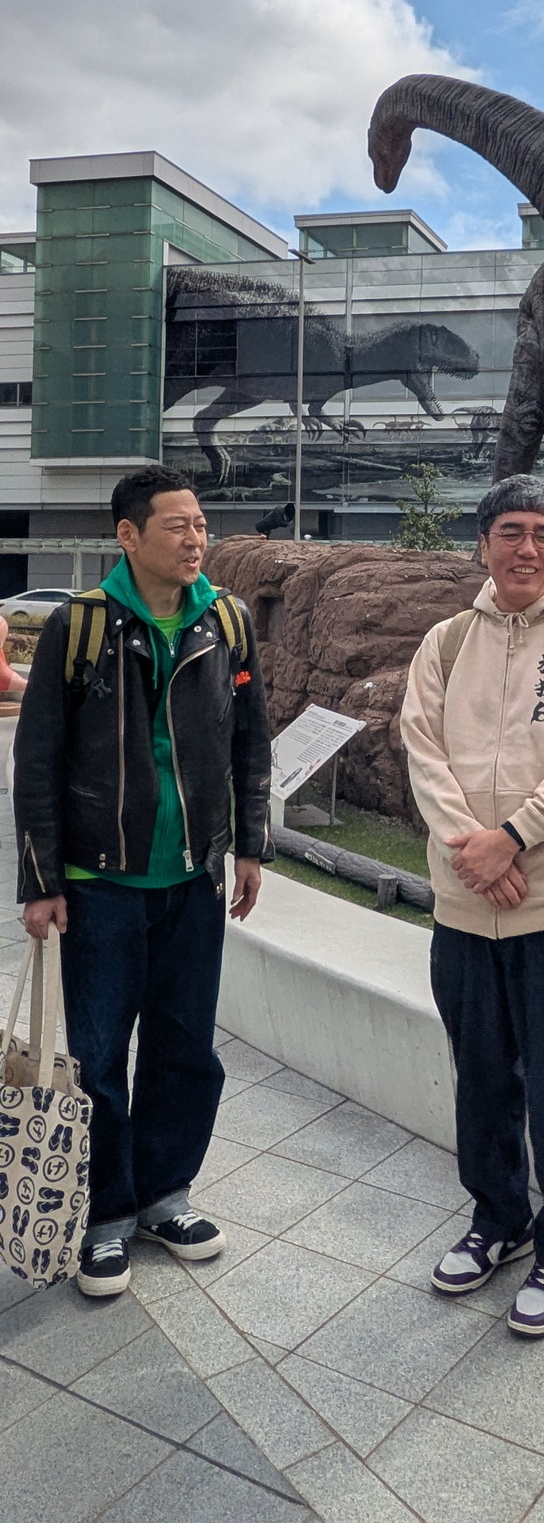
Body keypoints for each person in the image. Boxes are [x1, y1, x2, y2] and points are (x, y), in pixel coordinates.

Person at [14, 465, 272, 1298]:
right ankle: (104, 1216)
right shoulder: (81, 626)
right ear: (127, 536)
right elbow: (38, 757)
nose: (196, 539)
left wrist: (250, 846)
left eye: (201, 525)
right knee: (96, 1060)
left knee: (185, 1048)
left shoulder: (225, 620)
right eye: (177, 526)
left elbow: (251, 743)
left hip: (193, 878)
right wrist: (40, 877)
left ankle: (167, 1196)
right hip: (100, 883)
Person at [400, 473, 544, 1337]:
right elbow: (422, 750)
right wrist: (475, 848)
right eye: (510, 531)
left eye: (542, 531)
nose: (526, 547)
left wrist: (516, 836)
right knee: (481, 1082)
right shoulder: (446, 641)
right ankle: (496, 1219)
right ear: (484, 542)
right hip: (465, 909)